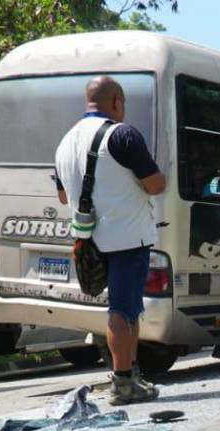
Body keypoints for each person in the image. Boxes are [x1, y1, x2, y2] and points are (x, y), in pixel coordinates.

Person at [54, 75, 166, 405]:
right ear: (116, 102)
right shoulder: (122, 135)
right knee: (123, 310)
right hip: (127, 236)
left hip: (89, 241)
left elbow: (63, 196)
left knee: (126, 310)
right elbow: (155, 184)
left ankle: (130, 376)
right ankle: (123, 383)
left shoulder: (64, 142)